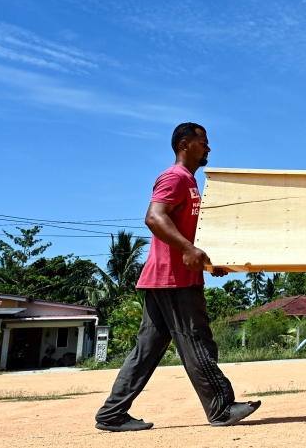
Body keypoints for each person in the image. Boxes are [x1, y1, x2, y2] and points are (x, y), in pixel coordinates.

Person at [95, 123, 260, 432]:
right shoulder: (175, 177)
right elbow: (154, 217)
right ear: (186, 144)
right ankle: (221, 408)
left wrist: (210, 263)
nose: (208, 148)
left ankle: (112, 414)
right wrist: (186, 248)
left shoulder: (192, 184)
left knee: (146, 352)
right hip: (173, 278)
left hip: (169, 277)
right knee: (197, 340)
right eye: (203, 142)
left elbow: (189, 235)